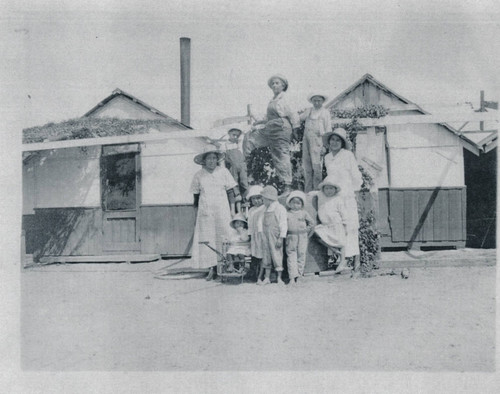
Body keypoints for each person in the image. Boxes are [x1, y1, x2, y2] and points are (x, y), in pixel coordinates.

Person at [189, 144, 242, 281]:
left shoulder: (223, 172)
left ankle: (228, 264)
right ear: (204, 161)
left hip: (222, 209)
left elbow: (232, 191)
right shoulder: (199, 175)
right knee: (208, 238)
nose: (212, 161)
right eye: (209, 158)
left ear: (217, 159)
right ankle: (211, 269)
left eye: (214, 158)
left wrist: (233, 210)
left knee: (225, 235)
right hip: (205, 211)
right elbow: (196, 197)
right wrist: (196, 214)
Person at [243, 74, 301, 196]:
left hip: (281, 127)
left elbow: (293, 114)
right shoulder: (273, 100)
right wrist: (258, 122)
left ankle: (287, 186)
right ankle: (248, 172)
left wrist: (296, 129)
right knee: (250, 138)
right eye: (273, 83)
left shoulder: (285, 98)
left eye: (277, 83)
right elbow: (268, 117)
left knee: (280, 154)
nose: (274, 85)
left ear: (283, 85)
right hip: (270, 127)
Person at [322, 128, 363, 272]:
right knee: (336, 228)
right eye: (332, 139)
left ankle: (356, 264)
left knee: (351, 227)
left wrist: (353, 192)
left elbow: (356, 176)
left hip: (347, 195)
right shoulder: (327, 158)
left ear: (342, 143)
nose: (334, 142)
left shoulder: (348, 155)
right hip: (334, 197)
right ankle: (342, 260)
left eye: (337, 140)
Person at [313, 175, 348, 271]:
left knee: (341, 243)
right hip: (326, 225)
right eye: (327, 188)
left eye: (331, 188)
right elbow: (314, 193)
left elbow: (343, 213)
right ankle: (334, 251)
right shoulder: (321, 196)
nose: (329, 190)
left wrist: (345, 225)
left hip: (337, 224)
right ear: (323, 189)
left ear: (335, 190)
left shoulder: (338, 199)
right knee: (317, 234)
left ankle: (342, 261)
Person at [300, 93, 332, 192]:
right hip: (307, 140)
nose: (317, 103)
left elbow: (328, 129)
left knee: (317, 167)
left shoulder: (325, 112)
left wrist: (325, 145)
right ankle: (308, 191)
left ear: (322, 101)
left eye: (319, 100)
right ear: (312, 101)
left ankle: (317, 191)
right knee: (307, 167)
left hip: (318, 141)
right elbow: (299, 119)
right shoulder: (309, 111)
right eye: (315, 100)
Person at [257, 185, 287, 285]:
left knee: (277, 255)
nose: (262, 201)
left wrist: (281, 238)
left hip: (275, 236)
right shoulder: (264, 209)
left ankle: (279, 278)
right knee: (266, 255)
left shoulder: (279, 208)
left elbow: (283, 224)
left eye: (263, 199)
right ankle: (267, 277)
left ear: (269, 198)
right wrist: (261, 233)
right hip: (265, 236)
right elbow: (260, 221)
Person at [285, 190, 315, 284]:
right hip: (291, 236)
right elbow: (282, 225)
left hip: (302, 236)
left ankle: (299, 275)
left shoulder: (304, 213)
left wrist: (307, 231)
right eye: (293, 203)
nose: (295, 205)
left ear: (301, 204)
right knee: (291, 256)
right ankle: (292, 277)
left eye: (298, 203)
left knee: (301, 255)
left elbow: (311, 223)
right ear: (289, 203)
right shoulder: (287, 214)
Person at [220, 128, 249, 207]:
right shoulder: (224, 145)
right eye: (234, 135)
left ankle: (245, 199)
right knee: (234, 183)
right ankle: (237, 200)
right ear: (229, 134)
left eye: (237, 135)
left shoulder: (240, 143)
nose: (235, 137)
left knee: (244, 182)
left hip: (242, 165)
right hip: (232, 167)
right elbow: (222, 159)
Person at [246, 185, 266, 282]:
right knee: (254, 254)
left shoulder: (265, 208)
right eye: (253, 199)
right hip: (254, 235)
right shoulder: (251, 210)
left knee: (262, 253)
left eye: (258, 198)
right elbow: (249, 223)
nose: (256, 201)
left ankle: (262, 274)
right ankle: (254, 272)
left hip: (262, 234)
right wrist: (249, 234)